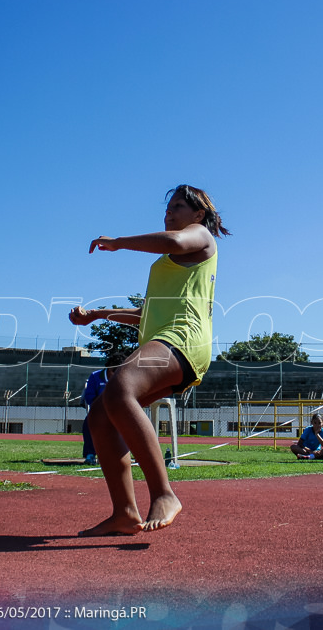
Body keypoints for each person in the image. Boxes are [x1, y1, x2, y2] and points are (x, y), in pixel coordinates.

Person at [68, 184, 229, 536]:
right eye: (166, 208)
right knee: (101, 417)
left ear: (198, 214)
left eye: (177, 207)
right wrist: (97, 315)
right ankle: (125, 512)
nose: (168, 213)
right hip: (166, 340)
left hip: (182, 340)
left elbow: (173, 242)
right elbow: (146, 314)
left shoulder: (199, 236)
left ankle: (164, 494)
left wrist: (120, 242)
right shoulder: (170, 263)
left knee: (121, 386)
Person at [80, 352, 127, 465]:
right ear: (109, 368)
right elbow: (89, 397)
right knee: (89, 423)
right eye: (113, 372)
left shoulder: (125, 377)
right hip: (100, 411)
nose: (115, 375)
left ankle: (128, 454)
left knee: (132, 423)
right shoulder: (95, 377)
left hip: (119, 412)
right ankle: (90, 454)